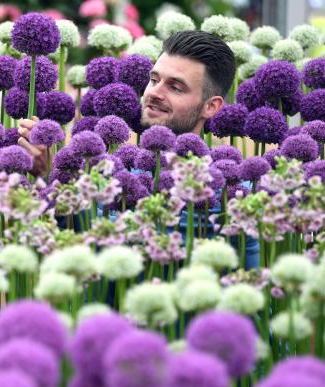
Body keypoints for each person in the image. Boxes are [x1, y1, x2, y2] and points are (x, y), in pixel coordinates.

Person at [17, 30, 260, 270]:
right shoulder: (116, 173)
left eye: (175, 87)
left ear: (211, 106)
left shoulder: (227, 193)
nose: (154, 93)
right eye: (154, 80)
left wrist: (56, 175)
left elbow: (121, 252)